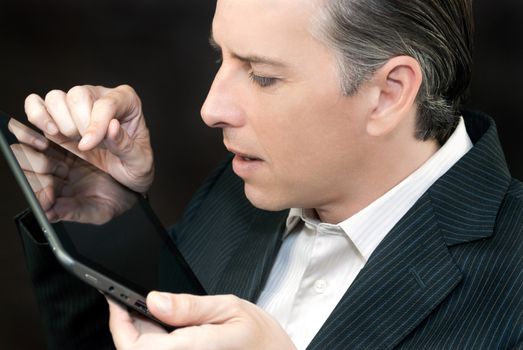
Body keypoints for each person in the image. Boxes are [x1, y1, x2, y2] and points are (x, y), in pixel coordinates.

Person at [11, 0, 522, 349]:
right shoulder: (231, 198)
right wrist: (104, 213)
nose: (210, 109)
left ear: (388, 93)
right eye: (221, 56)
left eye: (262, 75)